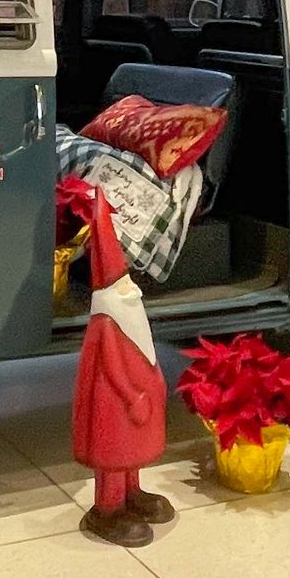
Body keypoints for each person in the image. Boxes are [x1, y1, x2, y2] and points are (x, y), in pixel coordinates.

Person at [65, 178, 174, 547]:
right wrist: (130, 395)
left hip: (137, 399)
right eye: (123, 284)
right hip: (117, 402)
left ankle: (133, 493)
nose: (132, 289)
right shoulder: (109, 320)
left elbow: (144, 351)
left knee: (131, 450)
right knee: (114, 455)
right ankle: (108, 508)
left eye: (129, 282)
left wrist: (155, 381)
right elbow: (112, 366)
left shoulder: (129, 313)